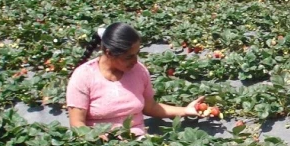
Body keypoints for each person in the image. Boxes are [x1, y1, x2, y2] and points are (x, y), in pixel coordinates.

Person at [66, 22, 203, 137]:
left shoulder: (139, 71)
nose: (135, 61)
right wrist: (95, 137)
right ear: (109, 53)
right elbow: (77, 124)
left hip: (137, 143)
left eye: (136, 54)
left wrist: (185, 111)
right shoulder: (83, 76)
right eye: (128, 57)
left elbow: (151, 107)